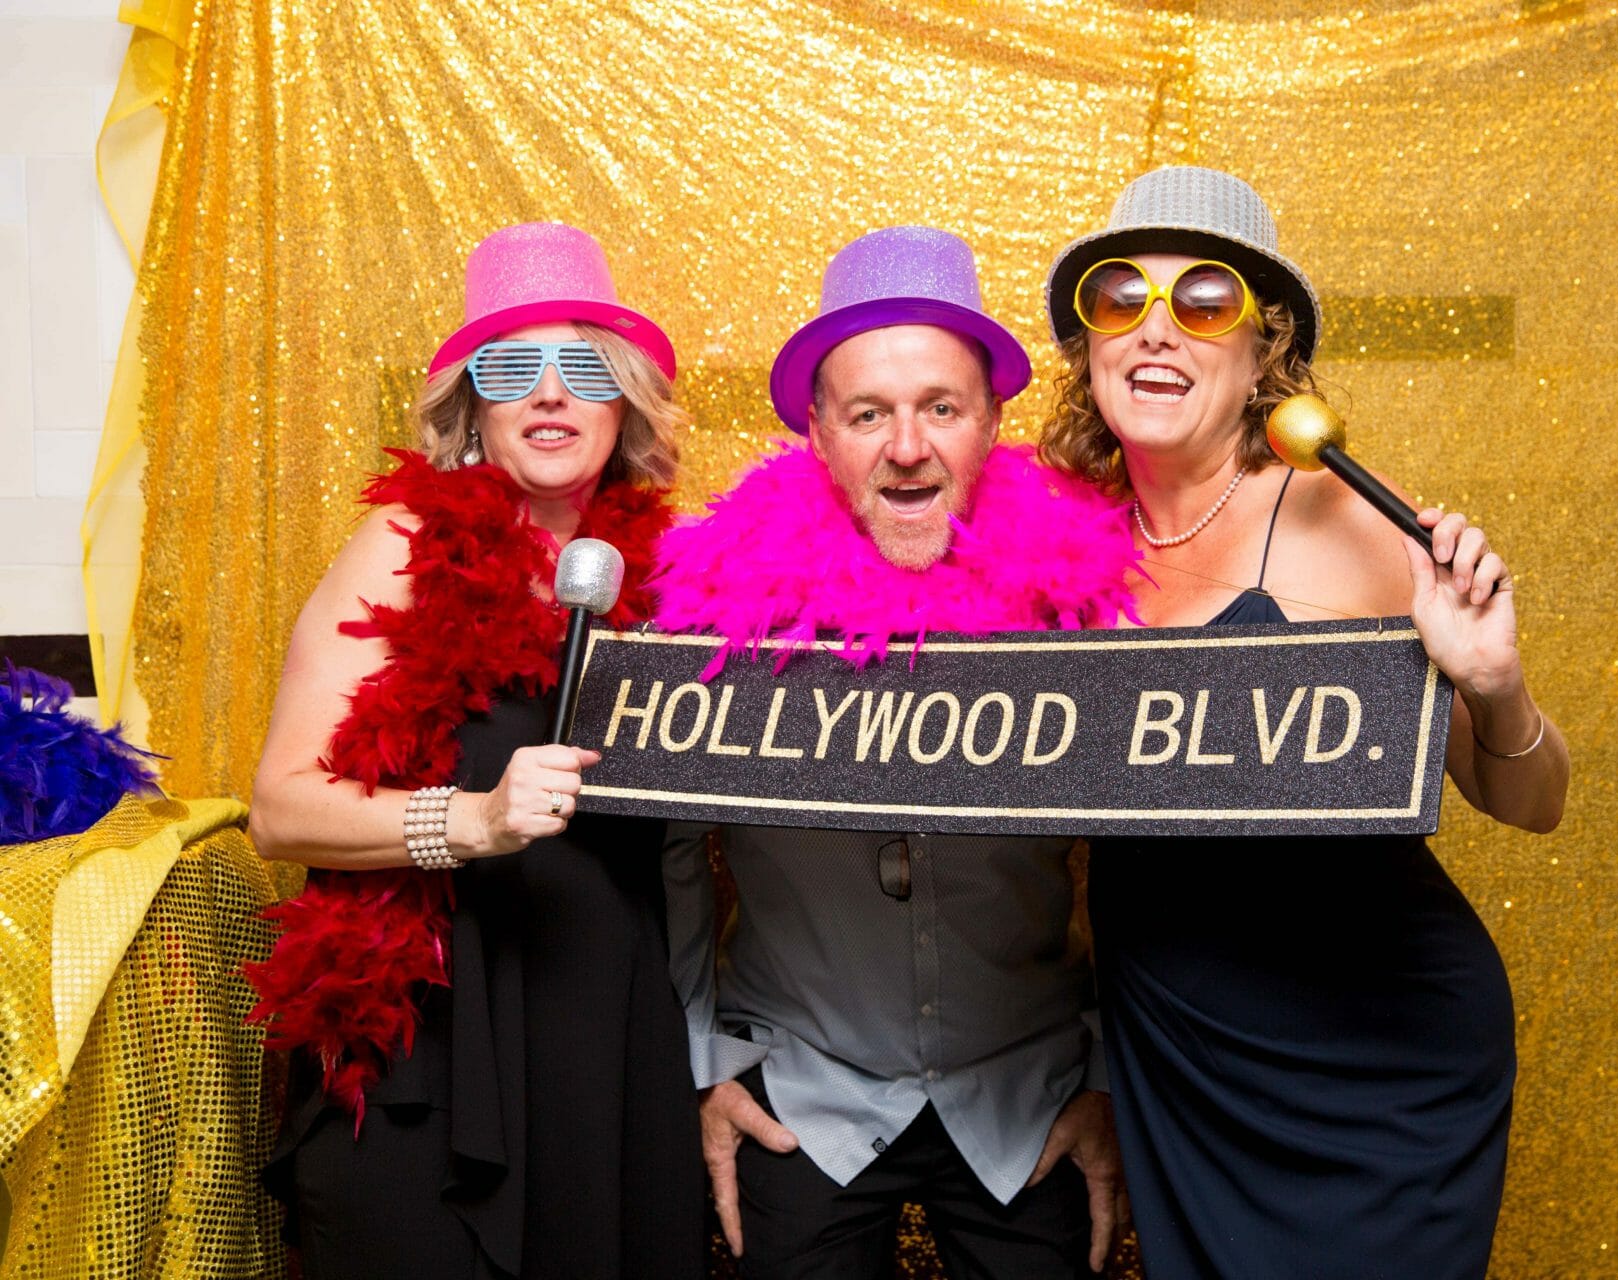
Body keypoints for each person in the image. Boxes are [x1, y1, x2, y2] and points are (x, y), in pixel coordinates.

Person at [1038, 167, 1571, 1279]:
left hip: (1376, 1056)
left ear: (1261, 350)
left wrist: (1493, 681)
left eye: (1206, 301)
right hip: (1180, 1048)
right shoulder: (1050, 552)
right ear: (1089, 347)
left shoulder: (1341, 517)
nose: (1158, 329)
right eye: (1121, 297)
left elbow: (1532, 802)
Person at [648, 225, 1136, 1280]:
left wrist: (1107, 1072)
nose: (907, 446)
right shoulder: (728, 614)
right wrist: (702, 1068)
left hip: (1027, 1093)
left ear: (991, 424)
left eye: (940, 408)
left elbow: (1149, 853)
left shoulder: (1079, 604)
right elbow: (674, 845)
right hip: (804, 1086)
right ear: (819, 436)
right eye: (869, 413)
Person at [246, 222, 704, 1279]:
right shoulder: (405, 542)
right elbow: (279, 805)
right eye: (513, 368)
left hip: (608, 1041)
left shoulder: (668, 580)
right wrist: (471, 818)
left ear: (622, 399)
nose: (549, 392)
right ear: (476, 409)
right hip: (436, 1046)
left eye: (581, 366)